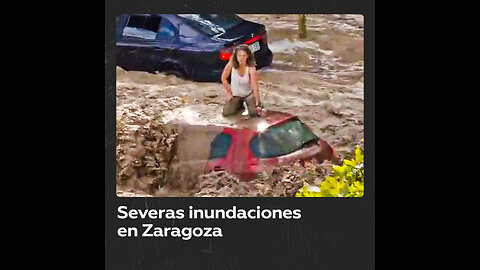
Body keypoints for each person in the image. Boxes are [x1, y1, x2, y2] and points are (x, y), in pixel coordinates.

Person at [221, 44, 262, 117]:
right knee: (227, 113)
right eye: (239, 56)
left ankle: (257, 104)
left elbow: (255, 87)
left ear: (247, 56)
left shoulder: (251, 68)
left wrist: (257, 103)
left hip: (248, 94)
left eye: (244, 56)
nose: (241, 58)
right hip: (236, 95)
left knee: (254, 114)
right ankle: (239, 105)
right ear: (236, 56)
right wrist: (229, 94)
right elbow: (223, 78)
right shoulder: (231, 64)